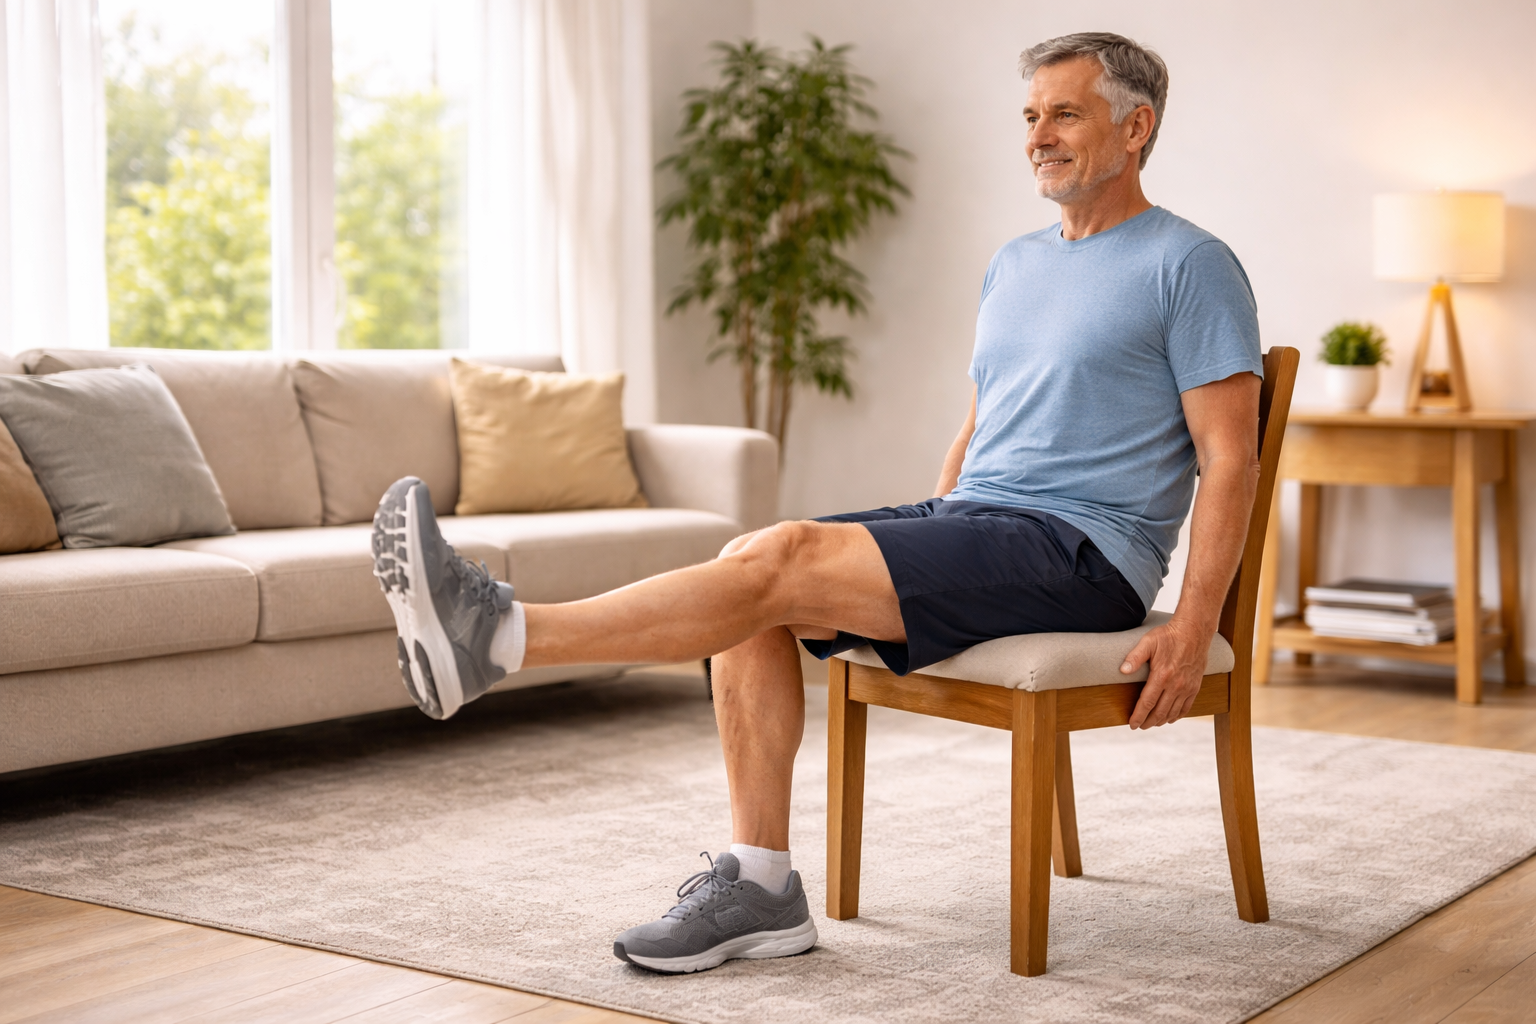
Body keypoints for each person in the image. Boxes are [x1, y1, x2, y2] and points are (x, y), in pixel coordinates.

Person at [370, 31, 1262, 975]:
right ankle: (760, 888)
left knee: (782, 557)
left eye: (1065, 113)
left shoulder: (1189, 265)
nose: (1039, 135)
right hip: (980, 523)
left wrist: (1194, 617)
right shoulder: (1017, 262)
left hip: (1083, 554)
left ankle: (501, 634)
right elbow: (983, 421)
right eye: (1031, 116)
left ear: (1136, 127)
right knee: (752, 567)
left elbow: (1229, 458)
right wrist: (936, 527)